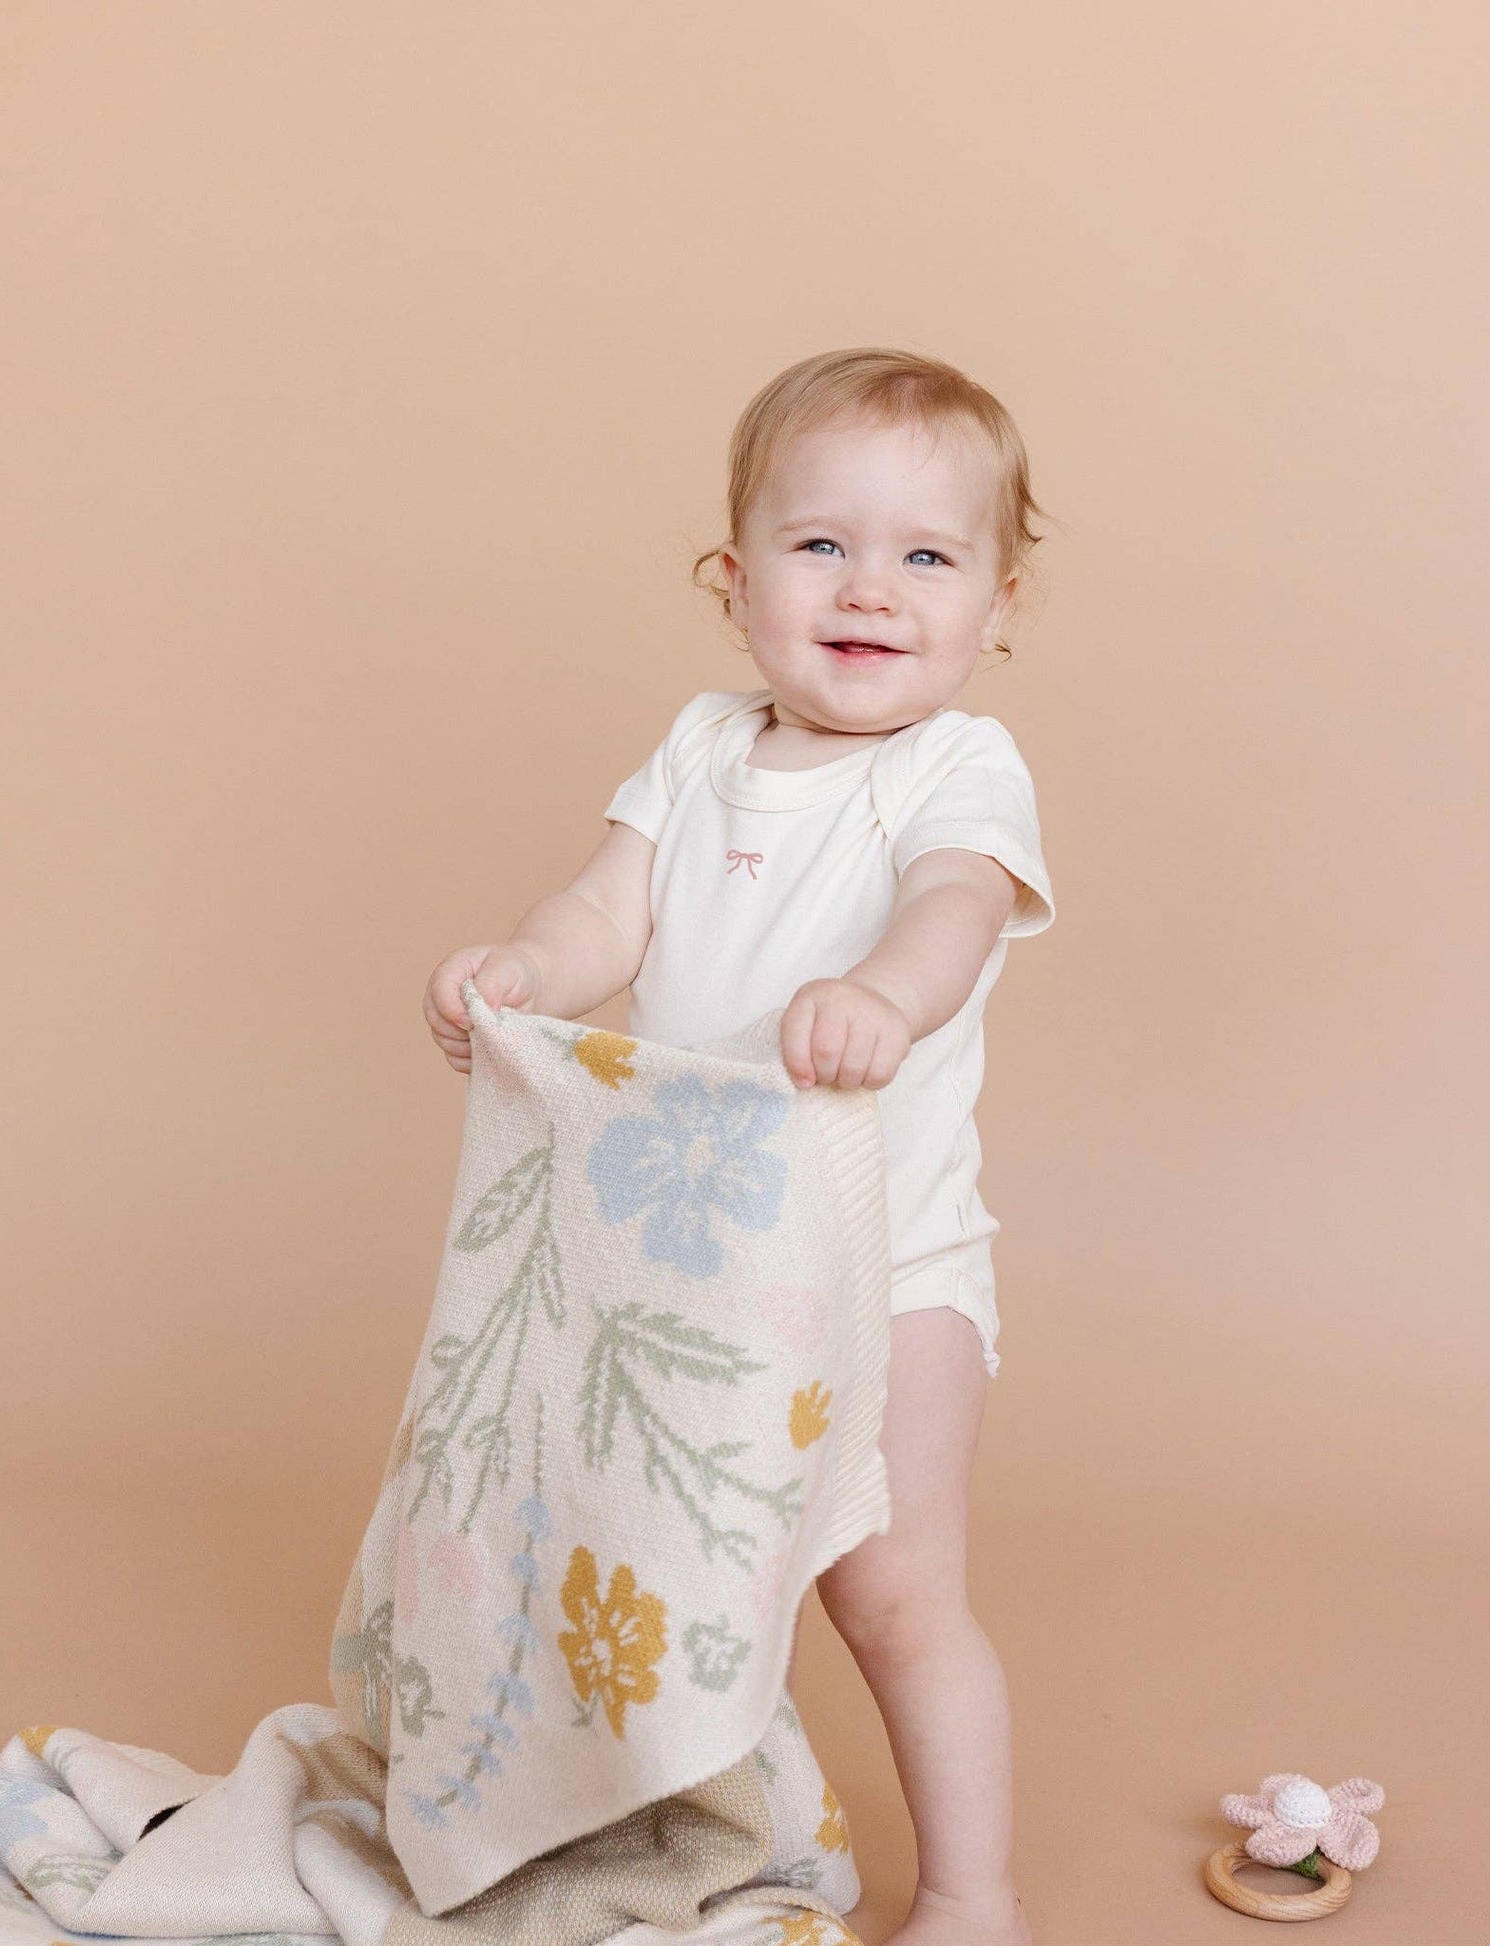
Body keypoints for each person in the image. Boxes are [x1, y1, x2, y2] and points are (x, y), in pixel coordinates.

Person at [424, 346, 1056, 1946]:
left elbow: (956, 908)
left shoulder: (952, 766)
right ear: (732, 580)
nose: (871, 587)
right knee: (673, 1569)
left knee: (891, 1591)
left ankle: (976, 1893)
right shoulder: (702, 749)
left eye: (927, 555)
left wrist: (883, 997)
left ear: (996, 603)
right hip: (698, 1269)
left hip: (887, 1269)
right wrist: (521, 971)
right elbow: (602, 909)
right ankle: (705, 1816)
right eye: (819, 543)